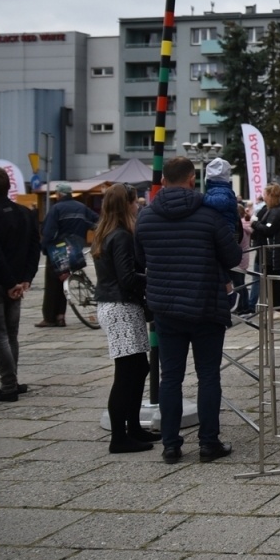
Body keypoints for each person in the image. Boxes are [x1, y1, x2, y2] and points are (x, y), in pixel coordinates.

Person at [135, 156, 243, 463]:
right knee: (208, 375)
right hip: (206, 304)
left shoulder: (146, 217)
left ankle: (171, 445)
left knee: (170, 377)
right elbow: (233, 255)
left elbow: (140, 259)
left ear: (164, 181)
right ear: (192, 180)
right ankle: (209, 443)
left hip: (166, 309)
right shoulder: (209, 215)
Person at [92, 184, 160, 453]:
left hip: (118, 306)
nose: (138, 206)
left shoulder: (106, 233)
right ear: (126, 205)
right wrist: (153, 278)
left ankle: (133, 428)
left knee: (138, 368)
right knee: (126, 373)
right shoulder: (120, 236)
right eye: (135, 202)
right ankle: (119, 437)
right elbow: (127, 277)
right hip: (120, 307)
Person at [0, 167, 40, 402]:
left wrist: (11, 282)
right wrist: (25, 279)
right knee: (11, 334)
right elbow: (34, 248)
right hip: (17, 283)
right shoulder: (25, 213)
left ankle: (8, 385)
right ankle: (12, 380)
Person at [39, 182, 98, 328]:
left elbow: (48, 232)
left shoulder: (56, 208)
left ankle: (50, 318)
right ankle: (61, 317)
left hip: (58, 251)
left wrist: (45, 248)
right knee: (66, 280)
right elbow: (96, 220)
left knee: (53, 285)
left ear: (59, 195)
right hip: (75, 251)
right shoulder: (81, 207)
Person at [252, 184, 280, 319]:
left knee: (274, 281)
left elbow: (268, 229)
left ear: (271, 196)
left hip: (274, 253)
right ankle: (274, 308)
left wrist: (255, 223)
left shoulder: (277, 212)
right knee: (272, 281)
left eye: (265, 194)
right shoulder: (274, 210)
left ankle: (278, 309)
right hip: (272, 252)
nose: (263, 197)